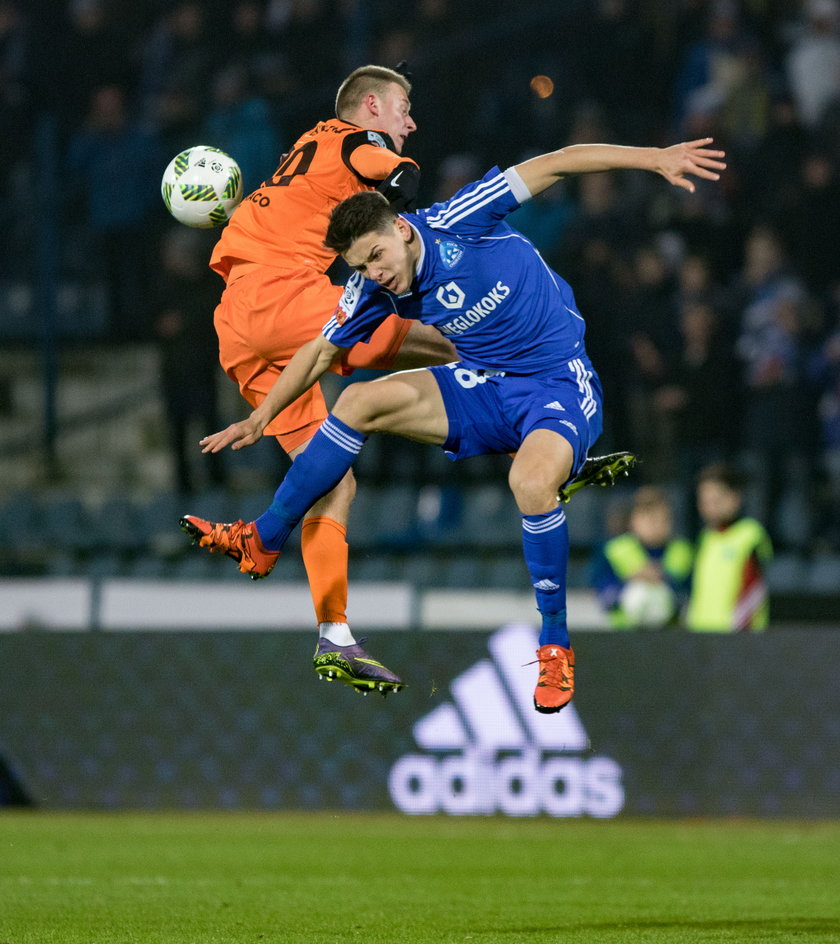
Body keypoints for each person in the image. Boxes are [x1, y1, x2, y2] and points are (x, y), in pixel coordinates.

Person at [183, 136, 725, 711]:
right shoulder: (371, 289)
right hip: (485, 386)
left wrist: (656, 159)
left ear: (403, 232)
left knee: (530, 483)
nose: (371, 273)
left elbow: (556, 161)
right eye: (358, 266)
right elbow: (317, 355)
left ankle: (555, 647)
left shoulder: (461, 217)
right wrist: (261, 415)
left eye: (375, 256)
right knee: (356, 403)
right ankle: (264, 539)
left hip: (556, 383)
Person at [183, 65, 455, 661]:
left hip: (236, 321)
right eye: (402, 108)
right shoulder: (355, 140)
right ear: (372, 105)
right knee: (449, 335)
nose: (410, 122)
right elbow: (402, 176)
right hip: (285, 295)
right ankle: (526, 384)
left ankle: (335, 635)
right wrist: (411, 231)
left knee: (331, 478)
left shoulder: (312, 144)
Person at [685, 461, 773, 632]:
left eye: (716, 500)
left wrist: (740, 630)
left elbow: (753, 588)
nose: (710, 507)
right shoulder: (705, 537)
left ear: (735, 498)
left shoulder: (750, 534)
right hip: (702, 636)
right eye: (705, 501)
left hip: (735, 638)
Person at [592, 486, 693, 629]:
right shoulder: (614, 549)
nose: (656, 526)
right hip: (624, 636)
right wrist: (630, 581)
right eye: (649, 519)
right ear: (633, 520)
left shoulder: (683, 551)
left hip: (669, 636)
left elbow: (688, 594)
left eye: (663, 519)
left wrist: (663, 579)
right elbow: (605, 594)